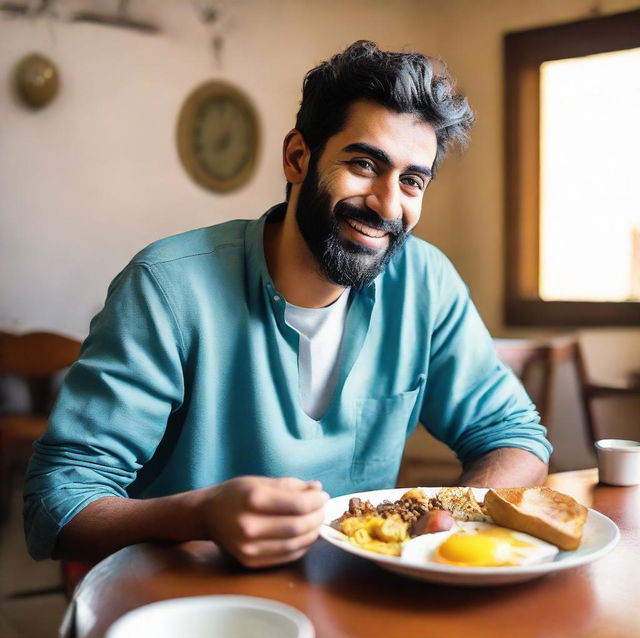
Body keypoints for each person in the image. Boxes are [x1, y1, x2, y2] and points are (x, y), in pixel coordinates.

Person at [24, 40, 551, 569]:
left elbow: (515, 439)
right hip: (185, 598)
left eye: (412, 180)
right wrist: (201, 515)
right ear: (298, 157)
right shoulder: (166, 287)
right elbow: (57, 502)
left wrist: (446, 526)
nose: (388, 204)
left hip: (353, 593)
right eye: (365, 164)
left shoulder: (426, 280)